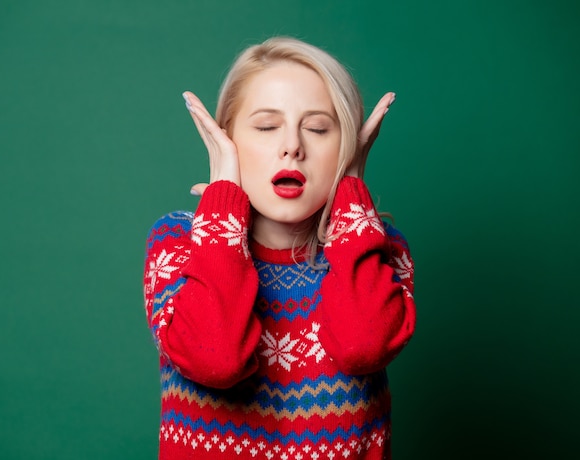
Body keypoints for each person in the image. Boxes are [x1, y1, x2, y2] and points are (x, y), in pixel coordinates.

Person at [143, 36, 416, 460]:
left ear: (347, 148)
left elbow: (364, 346)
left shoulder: (379, 249)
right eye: (267, 127)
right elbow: (215, 359)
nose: (293, 146)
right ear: (226, 140)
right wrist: (223, 203)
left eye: (319, 128)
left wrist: (351, 193)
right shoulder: (178, 244)